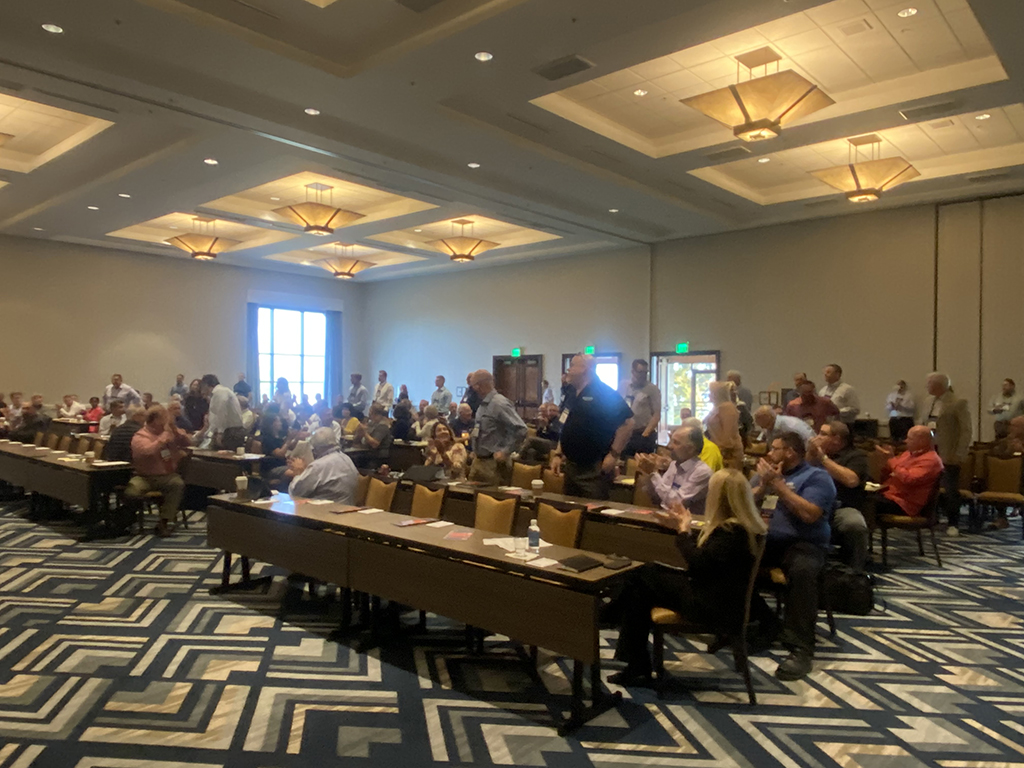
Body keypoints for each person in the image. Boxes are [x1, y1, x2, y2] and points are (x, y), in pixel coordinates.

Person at [610, 469, 767, 685]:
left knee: (643, 576)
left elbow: (698, 565)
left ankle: (614, 624)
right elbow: (708, 561)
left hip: (712, 607)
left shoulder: (732, 531)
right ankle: (633, 659)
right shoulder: (744, 526)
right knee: (640, 586)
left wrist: (683, 531)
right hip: (716, 597)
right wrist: (681, 528)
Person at [752, 432, 837, 681]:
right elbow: (742, 501)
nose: (769, 453)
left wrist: (779, 487)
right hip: (766, 541)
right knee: (727, 559)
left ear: (790, 452)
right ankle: (767, 622)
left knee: (802, 571)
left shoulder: (816, 477)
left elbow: (810, 515)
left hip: (803, 543)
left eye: (775, 448)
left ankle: (801, 647)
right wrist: (763, 486)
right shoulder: (765, 475)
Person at [550, 355, 633, 498]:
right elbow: (566, 426)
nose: (568, 369)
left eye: (572, 365)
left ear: (584, 369)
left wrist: (613, 455)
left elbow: (628, 424)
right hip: (571, 466)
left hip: (594, 468)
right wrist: (558, 454)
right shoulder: (571, 392)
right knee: (570, 508)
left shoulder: (604, 393)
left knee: (593, 509)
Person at [807, 421, 869, 571]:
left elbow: (851, 480)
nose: (817, 437)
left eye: (823, 434)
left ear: (837, 439)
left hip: (841, 507)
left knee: (855, 525)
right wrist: (810, 454)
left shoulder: (856, 456)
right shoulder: (815, 456)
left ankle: (855, 572)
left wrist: (823, 459)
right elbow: (801, 471)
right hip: (812, 504)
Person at [125, 405, 191, 536]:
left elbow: (188, 442)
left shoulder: (170, 433)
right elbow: (147, 452)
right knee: (131, 492)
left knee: (177, 484)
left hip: (167, 476)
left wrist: (175, 430)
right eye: (164, 418)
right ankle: (127, 519)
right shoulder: (140, 436)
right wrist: (162, 439)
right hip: (144, 476)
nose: (167, 421)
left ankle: (163, 522)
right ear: (155, 420)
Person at [920, 372, 972, 535]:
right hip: (929, 450)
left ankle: (953, 523)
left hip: (948, 452)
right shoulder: (928, 402)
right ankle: (931, 518)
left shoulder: (958, 402)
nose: (927, 386)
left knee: (950, 489)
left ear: (939, 385)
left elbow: (966, 430)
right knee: (929, 487)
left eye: (929, 383)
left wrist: (960, 453)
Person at [468, 369, 528, 486]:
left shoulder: (499, 403)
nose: (471, 390)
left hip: (494, 465)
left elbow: (521, 429)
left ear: (480, 386)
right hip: (479, 461)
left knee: (492, 496)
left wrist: (506, 451)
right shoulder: (483, 405)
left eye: (472, 386)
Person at [636, 425, 713, 515]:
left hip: (687, 521)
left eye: (676, 443)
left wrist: (653, 474)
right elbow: (658, 497)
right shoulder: (674, 464)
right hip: (666, 516)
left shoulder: (702, 472)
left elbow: (676, 503)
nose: (670, 446)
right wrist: (648, 474)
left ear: (691, 449)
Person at [874, 425, 944, 518]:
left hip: (903, 504)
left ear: (922, 441)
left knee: (865, 503)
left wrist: (892, 460)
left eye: (910, 439)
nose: (905, 441)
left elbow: (909, 479)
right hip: (888, 495)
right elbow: (890, 474)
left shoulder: (931, 460)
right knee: (859, 496)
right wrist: (884, 462)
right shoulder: (908, 454)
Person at [288, 427, 359, 502]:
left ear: (316, 449)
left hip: (322, 508)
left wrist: (299, 473)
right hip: (348, 506)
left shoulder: (318, 466)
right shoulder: (347, 459)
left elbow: (295, 493)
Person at [620, 359, 662, 457]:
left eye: (645, 372)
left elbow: (656, 414)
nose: (643, 375)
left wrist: (645, 435)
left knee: (642, 463)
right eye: (640, 372)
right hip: (625, 433)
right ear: (633, 371)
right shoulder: (623, 385)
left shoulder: (652, 389)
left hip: (642, 433)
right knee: (624, 462)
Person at [199, 374, 245, 450]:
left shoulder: (219, 392)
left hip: (231, 432)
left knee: (225, 455)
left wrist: (220, 433)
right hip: (230, 431)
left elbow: (221, 413)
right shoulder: (221, 392)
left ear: (206, 385)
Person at [706, 380, 743, 471]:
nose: (709, 395)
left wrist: (722, 451)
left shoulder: (727, 408)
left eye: (710, 392)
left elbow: (728, 436)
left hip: (729, 454)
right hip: (718, 450)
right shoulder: (716, 408)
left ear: (717, 394)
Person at [352, 402, 392, 469]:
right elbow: (356, 440)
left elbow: (375, 444)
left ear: (374, 413)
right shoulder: (371, 423)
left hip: (377, 457)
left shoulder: (383, 425)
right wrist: (359, 431)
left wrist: (364, 432)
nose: (369, 414)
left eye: (370, 412)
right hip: (367, 453)